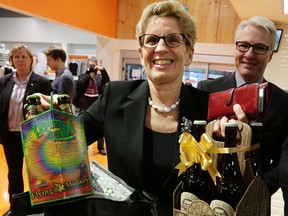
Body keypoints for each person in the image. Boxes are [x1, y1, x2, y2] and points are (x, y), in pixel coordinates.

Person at [38, 1, 210, 215]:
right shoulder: (115, 97)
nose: (161, 48)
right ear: (140, 53)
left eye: (173, 40)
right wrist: (50, 121)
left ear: (190, 54)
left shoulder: (209, 108)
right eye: (152, 40)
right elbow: (64, 147)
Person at [197, 16, 288, 205]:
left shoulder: (283, 102)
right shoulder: (206, 90)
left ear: (270, 54)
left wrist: (259, 189)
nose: (249, 54)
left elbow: (283, 161)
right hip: (207, 196)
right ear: (235, 48)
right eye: (243, 45)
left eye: (260, 47)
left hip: (256, 199)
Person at [0, 43, 52, 216]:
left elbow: (49, 109)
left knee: (38, 174)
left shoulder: (42, 82)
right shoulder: (4, 81)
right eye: (16, 57)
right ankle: (16, 207)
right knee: (14, 174)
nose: (20, 60)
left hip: (34, 138)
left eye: (24, 56)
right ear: (12, 60)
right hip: (11, 136)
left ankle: (40, 207)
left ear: (31, 60)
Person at [74, 56, 110, 155]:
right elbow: (80, 84)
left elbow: (106, 80)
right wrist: (88, 75)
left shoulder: (99, 77)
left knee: (99, 124)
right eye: (90, 66)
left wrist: (102, 71)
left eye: (94, 65)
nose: (92, 67)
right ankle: (82, 145)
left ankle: (101, 147)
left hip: (96, 102)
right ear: (87, 66)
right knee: (81, 125)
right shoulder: (83, 76)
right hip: (85, 102)